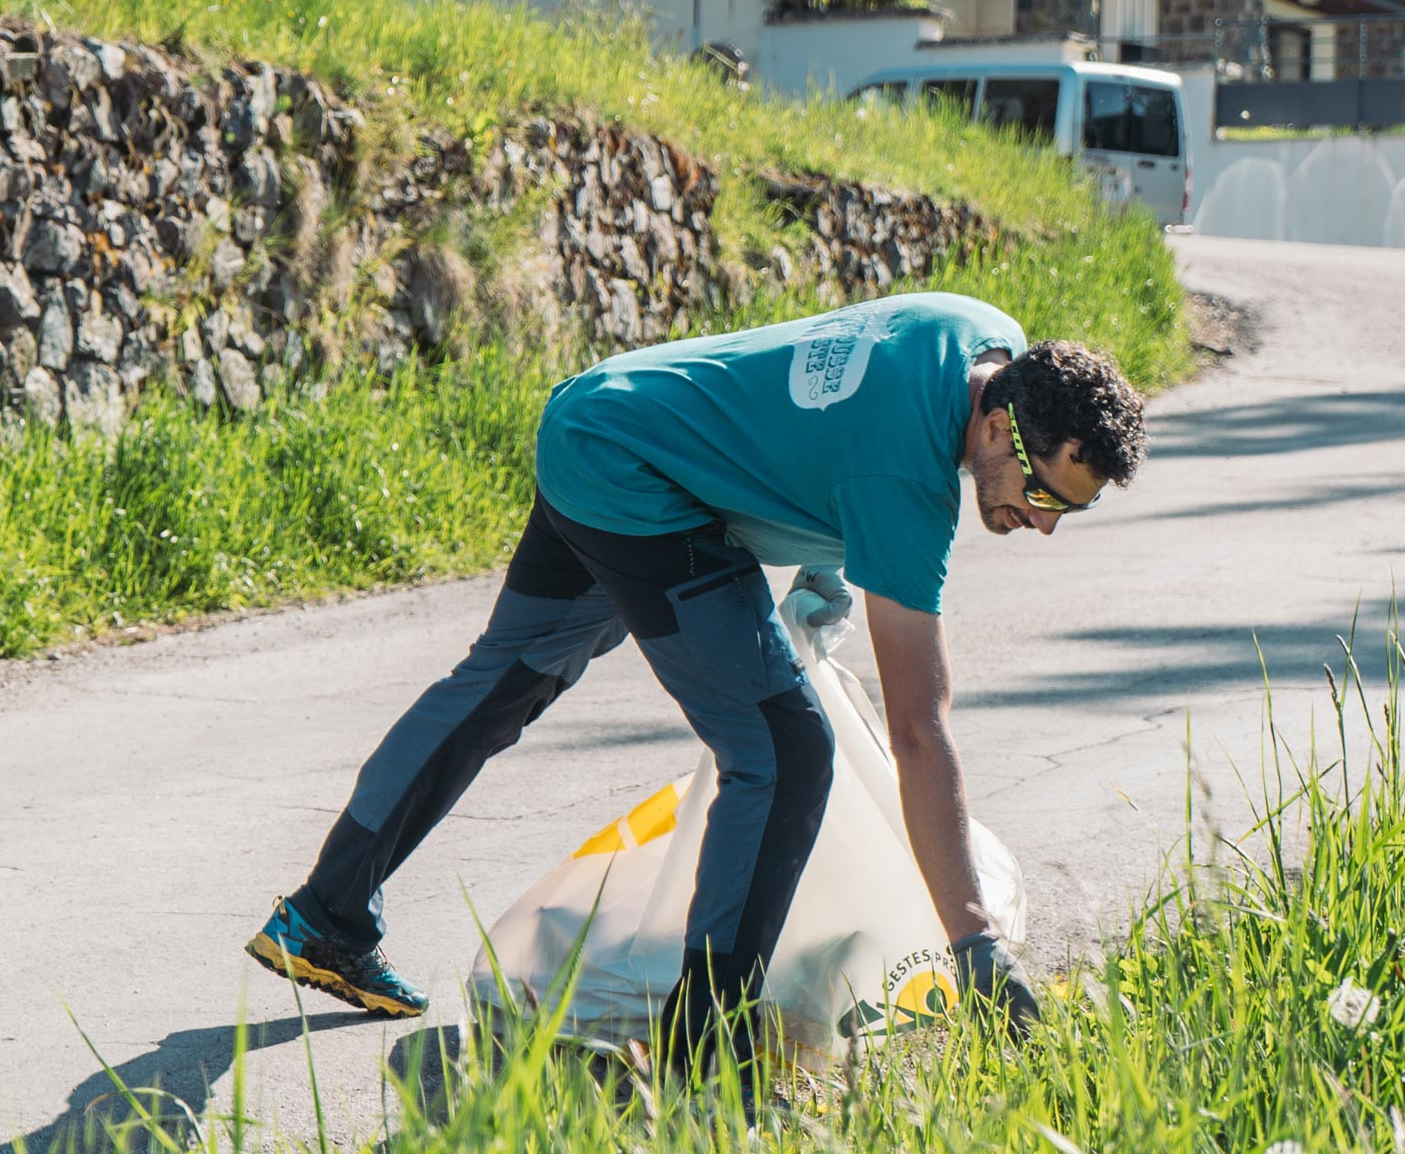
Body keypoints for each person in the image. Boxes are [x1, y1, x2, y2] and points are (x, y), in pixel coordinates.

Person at [247, 291, 1146, 1068]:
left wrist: (828, 553)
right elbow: (918, 728)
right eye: (1044, 495)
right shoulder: (906, 483)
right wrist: (975, 941)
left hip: (602, 416)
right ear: (997, 427)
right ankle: (704, 1049)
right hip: (641, 481)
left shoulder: (981, 335)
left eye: (1069, 507)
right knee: (784, 753)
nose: (1043, 524)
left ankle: (326, 913)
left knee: (504, 681)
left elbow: (827, 416)